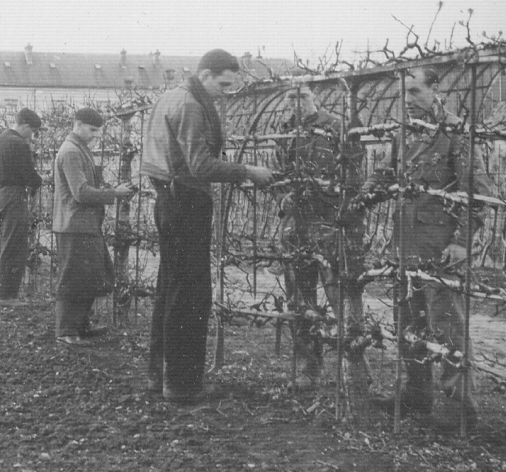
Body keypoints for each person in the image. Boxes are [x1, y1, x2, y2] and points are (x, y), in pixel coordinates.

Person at [140, 49, 274, 404]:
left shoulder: (169, 97)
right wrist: (245, 171)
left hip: (168, 199)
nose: (225, 93)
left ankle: (161, 375)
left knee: (170, 288)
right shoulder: (190, 105)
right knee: (191, 294)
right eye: (223, 84)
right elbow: (199, 165)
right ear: (206, 75)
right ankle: (183, 386)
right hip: (186, 201)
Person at [364, 67, 489, 431]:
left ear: (436, 89)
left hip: (440, 249)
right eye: (403, 94)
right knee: (409, 324)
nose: (407, 101)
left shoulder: (454, 132)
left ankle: (457, 411)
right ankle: (416, 394)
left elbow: (476, 191)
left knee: (447, 327)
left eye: (415, 92)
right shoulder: (404, 133)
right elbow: (387, 172)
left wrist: (462, 241)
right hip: (406, 246)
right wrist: (362, 195)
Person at [276, 85, 367, 392]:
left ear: (315, 96)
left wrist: (330, 193)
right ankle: (307, 368)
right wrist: (283, 197)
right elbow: (278, 175)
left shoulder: (336, 126)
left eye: (302, 96)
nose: (296, 103)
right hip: (296, 226)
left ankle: (355, 371)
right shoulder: (284, 131)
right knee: (300, 299)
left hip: (329, 223)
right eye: (290, 97)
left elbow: (354, 171)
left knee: (339, 294)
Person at [52, 108, 135, 345]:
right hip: (74, 225)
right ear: (78, 125)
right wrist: (114, 193)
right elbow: (80, 192)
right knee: (73, 277)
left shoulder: (79, 149)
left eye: (98, 132)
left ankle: (80, 325)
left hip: (83, 224)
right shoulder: (70, 152)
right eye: (92, 130)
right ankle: (67, 331)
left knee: (90, 275)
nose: (94, 136)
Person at [0, 108, 43, 307]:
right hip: (14, 196)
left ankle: (0, 290)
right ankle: (5, 296)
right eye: (33, 131)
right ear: (26, 126)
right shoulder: (20, 144)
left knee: (4, 244)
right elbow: (28, 174)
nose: (32, 136)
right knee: (14, 246)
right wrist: (39, 181)